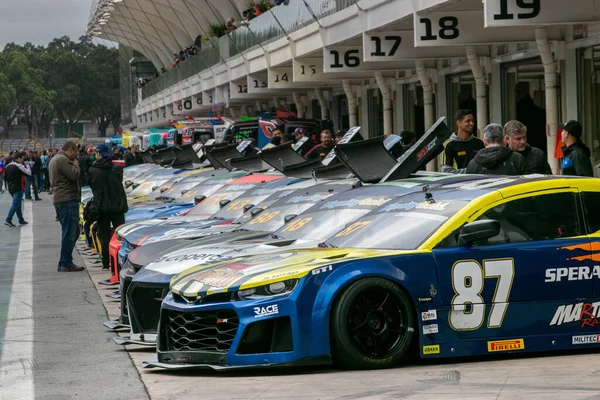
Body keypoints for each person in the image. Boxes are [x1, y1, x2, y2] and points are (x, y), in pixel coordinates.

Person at [89, 144, 129, 270]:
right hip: (118, 207)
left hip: (102, 208)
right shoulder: (117, 168)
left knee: (105, 235)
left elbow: (94, 189)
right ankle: (120, 262)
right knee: (120, 236)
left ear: (99, 154)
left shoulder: (93, 170)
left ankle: (106, 263)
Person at [49, 141, 83, 272]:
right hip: (67, 199)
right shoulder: (63, 160)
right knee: (69, 232)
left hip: (61, 198)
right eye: (75, 152)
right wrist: (76, 166)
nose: (75, 156)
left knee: (72, 231)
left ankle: (66, 259)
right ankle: (65, 261)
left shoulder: (55, 159)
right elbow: (74, 175)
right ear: (70, 150)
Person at [442, 109, 485, 173]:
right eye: (468, 121)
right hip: (459, 182)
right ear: (458, 123)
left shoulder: (479, 143)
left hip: (478, 181)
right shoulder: (448, 145)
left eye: (473, 121)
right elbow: (447, 171)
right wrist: (470, 171)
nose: (472, 123)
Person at [4, 152, 31, 227]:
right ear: (18, 158)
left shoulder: (7, 166)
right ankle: (8, 219)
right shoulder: (19, 166)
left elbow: (5, 178)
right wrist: (27, 165)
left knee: (18, 204)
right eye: (22, 158)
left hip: (11, 187)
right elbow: (29, 173)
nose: (23, 160)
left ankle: (21, 220)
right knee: (16, 204)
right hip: (18, 187)